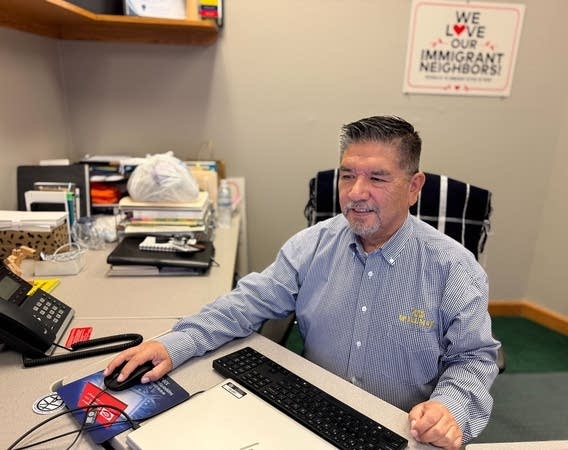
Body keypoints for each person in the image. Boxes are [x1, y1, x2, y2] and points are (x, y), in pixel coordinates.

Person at [105, 115, 499, 450]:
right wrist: (175, 343)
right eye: (348, 175)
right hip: (312, 413)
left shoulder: (453, 269)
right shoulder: (313, 245)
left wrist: (451, 408)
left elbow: (474, 359)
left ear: (414, 187)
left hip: (399, 429)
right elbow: (248, 303)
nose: (356, 193)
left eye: (377, 178)